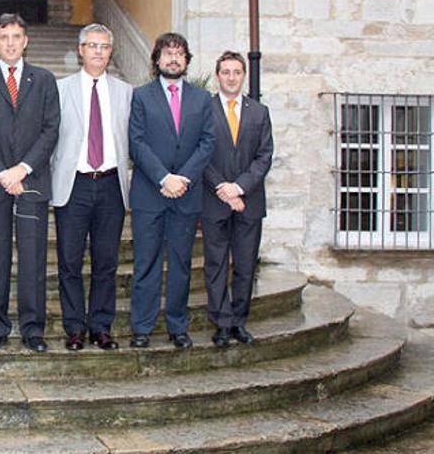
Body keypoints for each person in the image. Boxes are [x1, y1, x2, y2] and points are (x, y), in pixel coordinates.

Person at [0, 13, 60, 353]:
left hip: (32, 181)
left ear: (26, 41)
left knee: (33, 257)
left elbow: (51, 130)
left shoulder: (45, 80)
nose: (10, 42)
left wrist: (22, 168)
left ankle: (33, 329)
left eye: (16, 36)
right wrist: (2, 172)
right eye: (4, 37)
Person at [128, 32, 215, 350]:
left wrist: (184, 179)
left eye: (179, 53)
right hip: (150, 193)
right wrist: (164, 178)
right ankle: (142, 327)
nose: (173, 58)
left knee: (180, 264)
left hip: (187, 194)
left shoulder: (202, 99)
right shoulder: (141, 96)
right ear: (157, 60)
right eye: (167, 53)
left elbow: (208, 143)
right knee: (146, 263)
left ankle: (177, 326)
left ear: (187, 61)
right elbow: (136, 142)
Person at [50, 23, 132, 351]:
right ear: (81, 50)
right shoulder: (60, 89)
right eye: (92, 45)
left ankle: (101, 326)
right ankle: (74, 328)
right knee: (69, 261)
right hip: (74, 184)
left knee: (106, 261)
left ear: (111, 52)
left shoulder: (126, 92)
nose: (98, 51)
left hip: (111, 185)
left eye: (104, 46)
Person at [202, 51, 274, 348]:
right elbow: (199, 153)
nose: (231, 77)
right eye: (226, 72)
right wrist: (222, 187)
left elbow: (264, 156)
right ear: (217, 76)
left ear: (243, 76)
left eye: (236, 72)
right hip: (213, 200)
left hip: (249, 202)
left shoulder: (259, 112)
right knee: (216, 264)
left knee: (245, 265)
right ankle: (220, 323)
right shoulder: (204, 110)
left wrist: (239, 188)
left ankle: (238, 323)